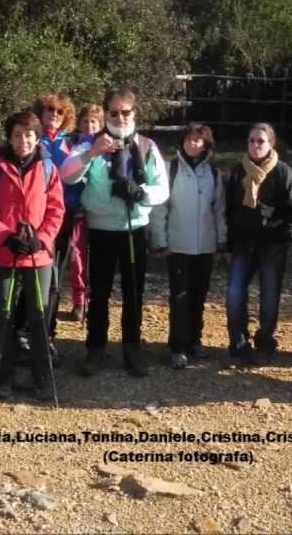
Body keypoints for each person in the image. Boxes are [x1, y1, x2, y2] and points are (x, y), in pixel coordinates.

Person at [60, 88, 169, 377]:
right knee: (100, 291)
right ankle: (96, 348)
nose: (120, 117)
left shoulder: (146, 146)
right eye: (114, 113)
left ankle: (132, 348)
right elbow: (66, 173)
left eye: (126, 112)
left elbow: (162, 189)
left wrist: (141, 193)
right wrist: (92, 153)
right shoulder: (91, 144)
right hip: (102, 228)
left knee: (134, 292)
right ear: (105, 113)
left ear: (134, 113)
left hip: (134, 228)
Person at [0, 111, 65, 401]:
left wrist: (42, 239)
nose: (23, 140)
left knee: (38, 318)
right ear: (9, 137)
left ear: (37, 137)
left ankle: (43, 377)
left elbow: (56, 209)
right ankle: (3, 377)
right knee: (5, 316)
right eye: (17, 134)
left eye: (28, 134)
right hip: (4, 253)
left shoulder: (48, 167)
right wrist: (5, 236)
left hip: (38, 255)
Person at [223, 123, 292, 366]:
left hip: (271, 245)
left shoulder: (283, 173)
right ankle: (238, 340)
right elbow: (229, 208)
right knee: (234, 294)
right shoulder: (238, 172)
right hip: (243, 244)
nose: (255, 145)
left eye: (261, 141)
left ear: (271, 143)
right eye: (251, 141)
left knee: (269, 297)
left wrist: (283, 239)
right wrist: (229, 241)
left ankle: (265, 340)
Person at [150, 123, 228, 369]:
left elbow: (219, 210)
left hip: (205, 247)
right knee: (180, 297)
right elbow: (160, 208)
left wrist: (221, 242)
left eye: (198, 140)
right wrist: (160, 240)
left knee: (198, 296)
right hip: (178, 246)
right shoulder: (170, 169)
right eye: (189, 140)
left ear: (206, 144)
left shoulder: (214, 174)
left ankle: (195, 340)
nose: (193, 144)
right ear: (181, 142)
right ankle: (178, 347)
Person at [61, 104, 105, 322]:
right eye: (86, 121)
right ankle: (78, 300)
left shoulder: (107, 146)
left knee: (92, 259)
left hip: (97, 210)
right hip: (74, 208)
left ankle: (88, 300)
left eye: (94, 121)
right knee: (76, 257)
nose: (90, 125)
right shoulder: (72, 145)